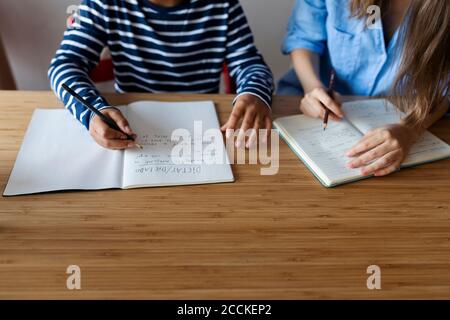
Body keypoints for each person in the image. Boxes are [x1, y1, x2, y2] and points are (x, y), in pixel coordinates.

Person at [49, 0, 274, 150]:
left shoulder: (224, 6)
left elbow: (250, 63)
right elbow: (65, 64)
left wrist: (255, 92)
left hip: (202, 131)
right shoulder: (101, 4)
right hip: (129, 126)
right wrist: (91, 110)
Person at [278, 0, 449, 176]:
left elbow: (446, 90)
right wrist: (312, 86)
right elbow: (303, 38)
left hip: (419, 117)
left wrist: (410, 129)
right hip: (308, 108)